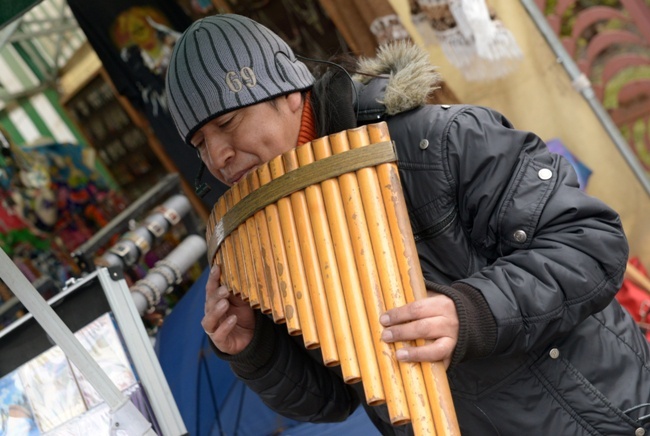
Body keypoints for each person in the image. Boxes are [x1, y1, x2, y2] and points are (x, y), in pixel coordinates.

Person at [165, 14, 650, 435]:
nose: (219, 157)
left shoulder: (433, 141)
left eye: (227, 123)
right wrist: (255, 350)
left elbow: (590, 242)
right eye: (200, 143)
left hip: (592, 419)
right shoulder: (273, 237)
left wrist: (472, 312)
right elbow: (334, 400)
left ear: (289, 93)